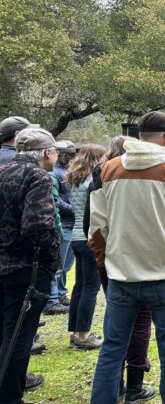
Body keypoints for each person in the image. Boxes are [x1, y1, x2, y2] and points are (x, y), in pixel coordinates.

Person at [89, 111, 165, 404]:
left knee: (112, 349)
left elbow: (97, 229)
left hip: (122, 276)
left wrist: (106, 262)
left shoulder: (108, 170)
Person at [84, 135, 155, 402]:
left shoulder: (100, 174)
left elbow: (90, 224)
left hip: (109, 259)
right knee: (139, 322)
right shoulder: (136, 176)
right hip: (137, 260)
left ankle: (115, 388)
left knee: (116, 325)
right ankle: (134, 386)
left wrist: (101, 257)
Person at [0, 127, 65, 402]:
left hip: (4, 264)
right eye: (56, 150)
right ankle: (10, 395)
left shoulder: (2, 170)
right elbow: (37, 225)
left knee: (6, 332)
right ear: (47, 152)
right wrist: (53, 257)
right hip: (27, 268)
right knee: (19, 337)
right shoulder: (37, 175)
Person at [65, 144, 106, 350]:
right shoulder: (92, 181)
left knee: (79, 286)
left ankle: (75, 331)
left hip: (75, 237)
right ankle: (83, 334)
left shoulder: (75, 179)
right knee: (91, 287)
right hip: (88, 237)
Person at [45, 140, 76, 315]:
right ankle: (52, 300)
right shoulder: (53, 173)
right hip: (63, 223)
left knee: (66, 265)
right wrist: (74, 210)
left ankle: (61, 295)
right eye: (69, 155)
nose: (72, 158)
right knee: (58, 264)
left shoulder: (66, 171)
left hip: (71, 223)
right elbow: (56, 200)